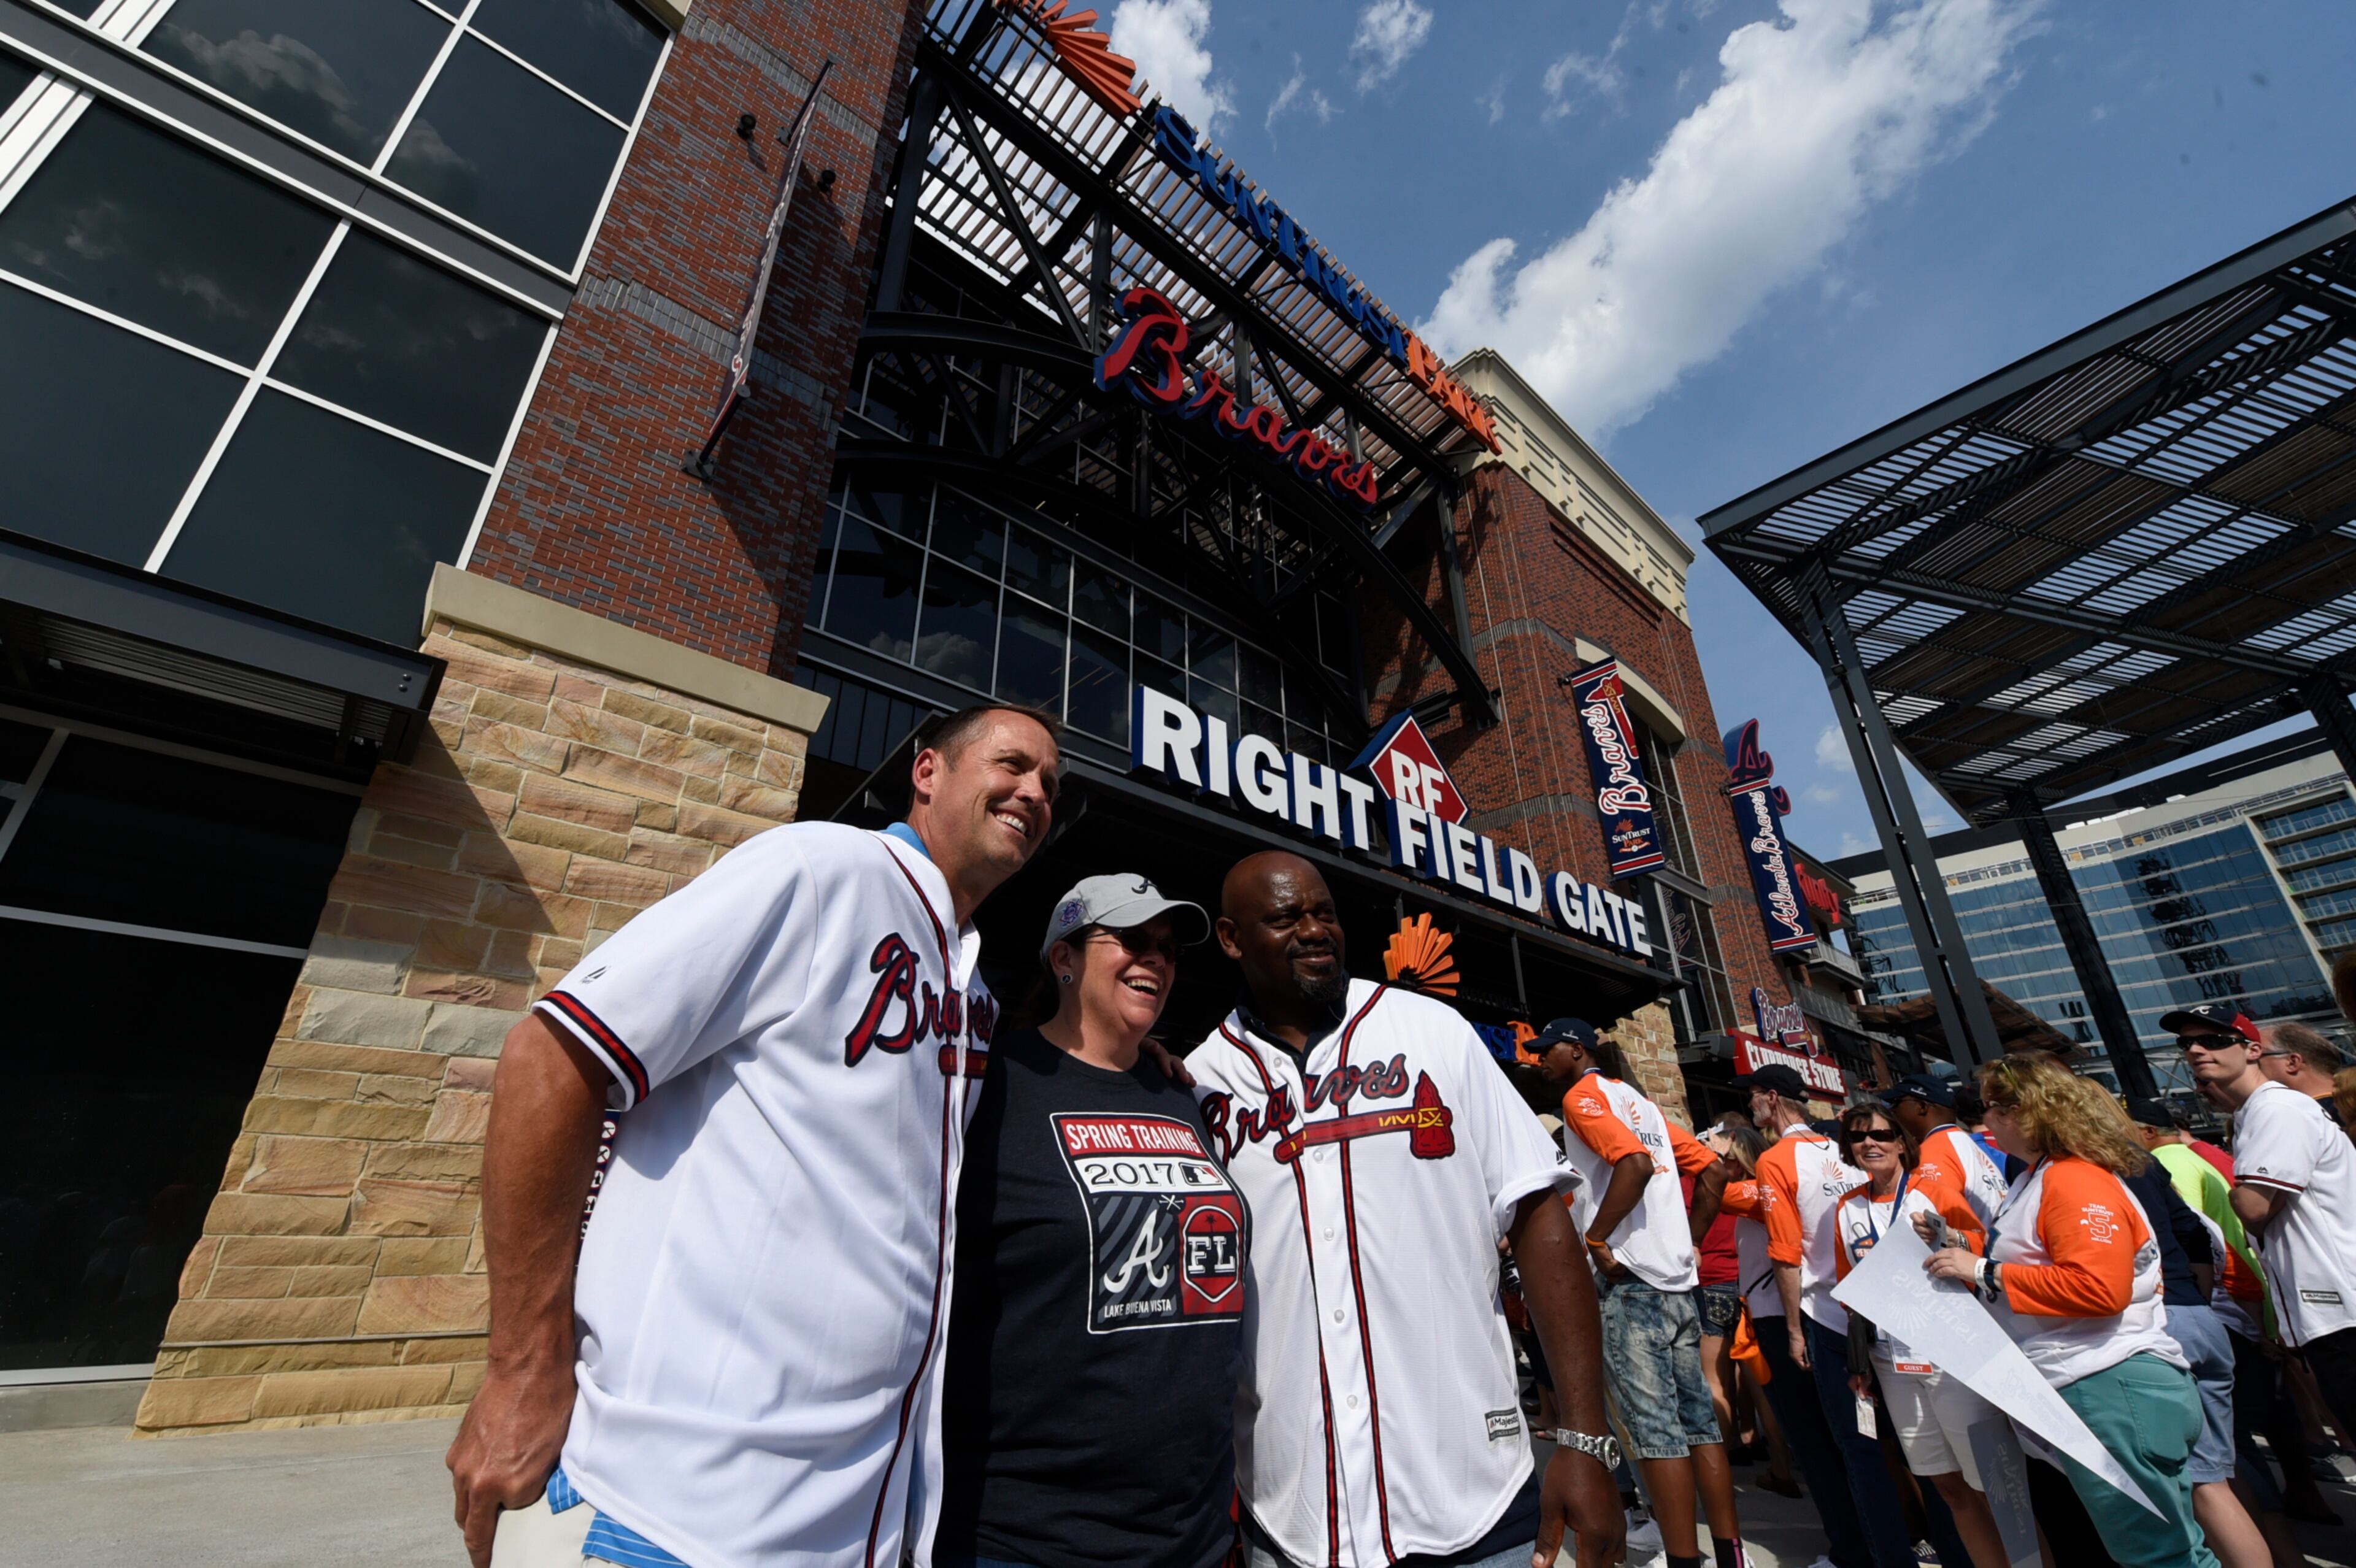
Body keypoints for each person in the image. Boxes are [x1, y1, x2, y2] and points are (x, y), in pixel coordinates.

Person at [446, 705, 1061, 1568]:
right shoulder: (821, 868)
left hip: (851, 1525)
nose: (1034, 791)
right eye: (1012, 765)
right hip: (665, 1514)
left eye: (1050, 784)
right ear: (928, 772)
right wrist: (520, 1369)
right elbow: (552, 1060)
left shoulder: (973, 984)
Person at [1188, 853, 1623, 1568]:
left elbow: (1539, 1216)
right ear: (1233, 940)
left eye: (1323, 912)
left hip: (1474, 1499)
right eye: (1285, 917)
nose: (1314, 929)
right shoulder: (1203, 1082)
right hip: (1292, 1511)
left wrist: (1583, 1438)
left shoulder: (1432, 1032)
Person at [939, 874, 1239, 1568]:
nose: (1156, 960)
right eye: (1132, 940)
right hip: (1029, 1536)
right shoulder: (991, 1082)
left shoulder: (1181, 1094)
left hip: (1190, 1535)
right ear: (1063, 957)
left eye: (1167, 948)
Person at [1920, 1056, 2218, 1568]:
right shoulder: (2041, 1177)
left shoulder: (2073, 1179)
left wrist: (1984, 1271)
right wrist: (1963, 1249)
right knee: (2165, 1550)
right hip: (2097, 1386)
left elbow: (2100, 1288)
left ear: (2025, 1112)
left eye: (1991, 1107)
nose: (1984, 1120)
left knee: (2159, 1556)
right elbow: (2038, 1256)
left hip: (2109, 1385)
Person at [1538, 1018, 1744, 1568]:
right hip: (1675, 1283)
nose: (1539, 1060)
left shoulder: (1583, 1097)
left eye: (1547, 1050)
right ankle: (1731, 1555)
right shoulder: (1643, 1104)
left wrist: (1597, 1234)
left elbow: (1633, 1162)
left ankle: (1683, 1560)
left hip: (1630, 1285)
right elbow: (1715, 1172)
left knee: (1656, 1438)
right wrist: (1689, 1241)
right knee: (1699, 1428)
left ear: (1576, 1052)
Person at [2127, 1097, 2311, 1567]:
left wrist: (2194, 1298)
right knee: (2230, 1458)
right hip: (2219, 1313)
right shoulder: (2182, 1159)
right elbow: (2198, 1232)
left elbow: (2188, 1232)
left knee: (2216, 1471)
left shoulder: (2162, 1162)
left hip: (2194, 1317)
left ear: (2148, 1131)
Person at [1743, 1062, 1906, 1568]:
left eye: (1751, 1097)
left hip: (1826, 1317)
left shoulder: (1776, 1159)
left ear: (1772, 1099)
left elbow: (1786, 1253)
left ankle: (1857, 1553)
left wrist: (1793, 1328)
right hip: (1880, 1306)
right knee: (1888, 1445)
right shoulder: (1845, 1146)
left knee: (1838, 1446)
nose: (1749, 1107)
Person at [1827, 1104, 2003, 1568]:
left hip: (1952, 1355)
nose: (1871, 1144)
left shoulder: (1933, 1189)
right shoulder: (1847, 1206)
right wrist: (1860, 1365)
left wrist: (1949, 1238)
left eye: (1882, 1135)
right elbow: (1851, 1292)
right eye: (1859, 1137)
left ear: (1902, 1142)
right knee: (1944, 1483)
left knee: (1993, 1483)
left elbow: (1983, 1246)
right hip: (1892, 1361)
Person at [2178, 1001, 2356, 1454]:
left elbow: (2253, 1207)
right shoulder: (2256, 1112)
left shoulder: (2277, 1107)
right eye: (2187, 1043)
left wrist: (2242, 1195)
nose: (2197, 1050)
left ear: (2252, 1049)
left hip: (2344, 1309)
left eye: (2215, 1040)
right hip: (2328, 1310)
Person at [1699, 1118, 1798, 1497]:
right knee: (1759, 1385)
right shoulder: (1767, 1189)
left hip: (1741, 1294)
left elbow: (1712, 1192)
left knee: (1721, 1378)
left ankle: (1733, 1453)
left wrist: (1708, 1160)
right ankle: (1778, 1462)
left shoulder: (1749, 1192)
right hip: (1751, 1295)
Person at [1881, 1075, 2006, 1224]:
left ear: (1921, 1107)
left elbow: (1938, 1221)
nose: (1893, 1111)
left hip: (1972, 1245)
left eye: (1896, 1103)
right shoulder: (1967, 1143)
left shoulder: (1934, 1152)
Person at [2258, 1021, 2347, 1126]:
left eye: (2255, 1056)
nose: (2248, 1067)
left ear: (2292, 1062)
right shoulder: (2345, 1106)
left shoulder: (2303, 1120)